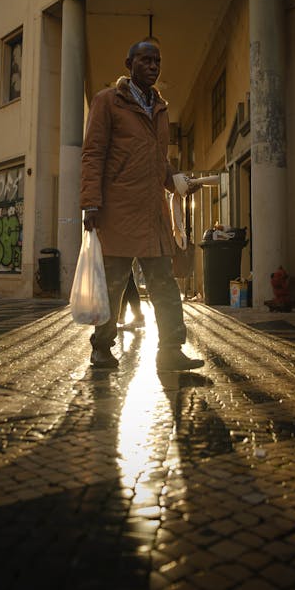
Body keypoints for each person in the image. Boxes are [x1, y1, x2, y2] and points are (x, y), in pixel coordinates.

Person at [80, 38, 204, 370]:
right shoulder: (107, 102)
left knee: (164, 282)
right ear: (128, 64)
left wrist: (175, 180)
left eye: (157, 62)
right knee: (114, 284)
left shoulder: (160, 108)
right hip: (117, 210)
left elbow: (156, 159)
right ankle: (102, 347)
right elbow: (92, 154)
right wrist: (91, 203)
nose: (152, 66)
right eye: (145, 60)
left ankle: (171, 350)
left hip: (153, 212)